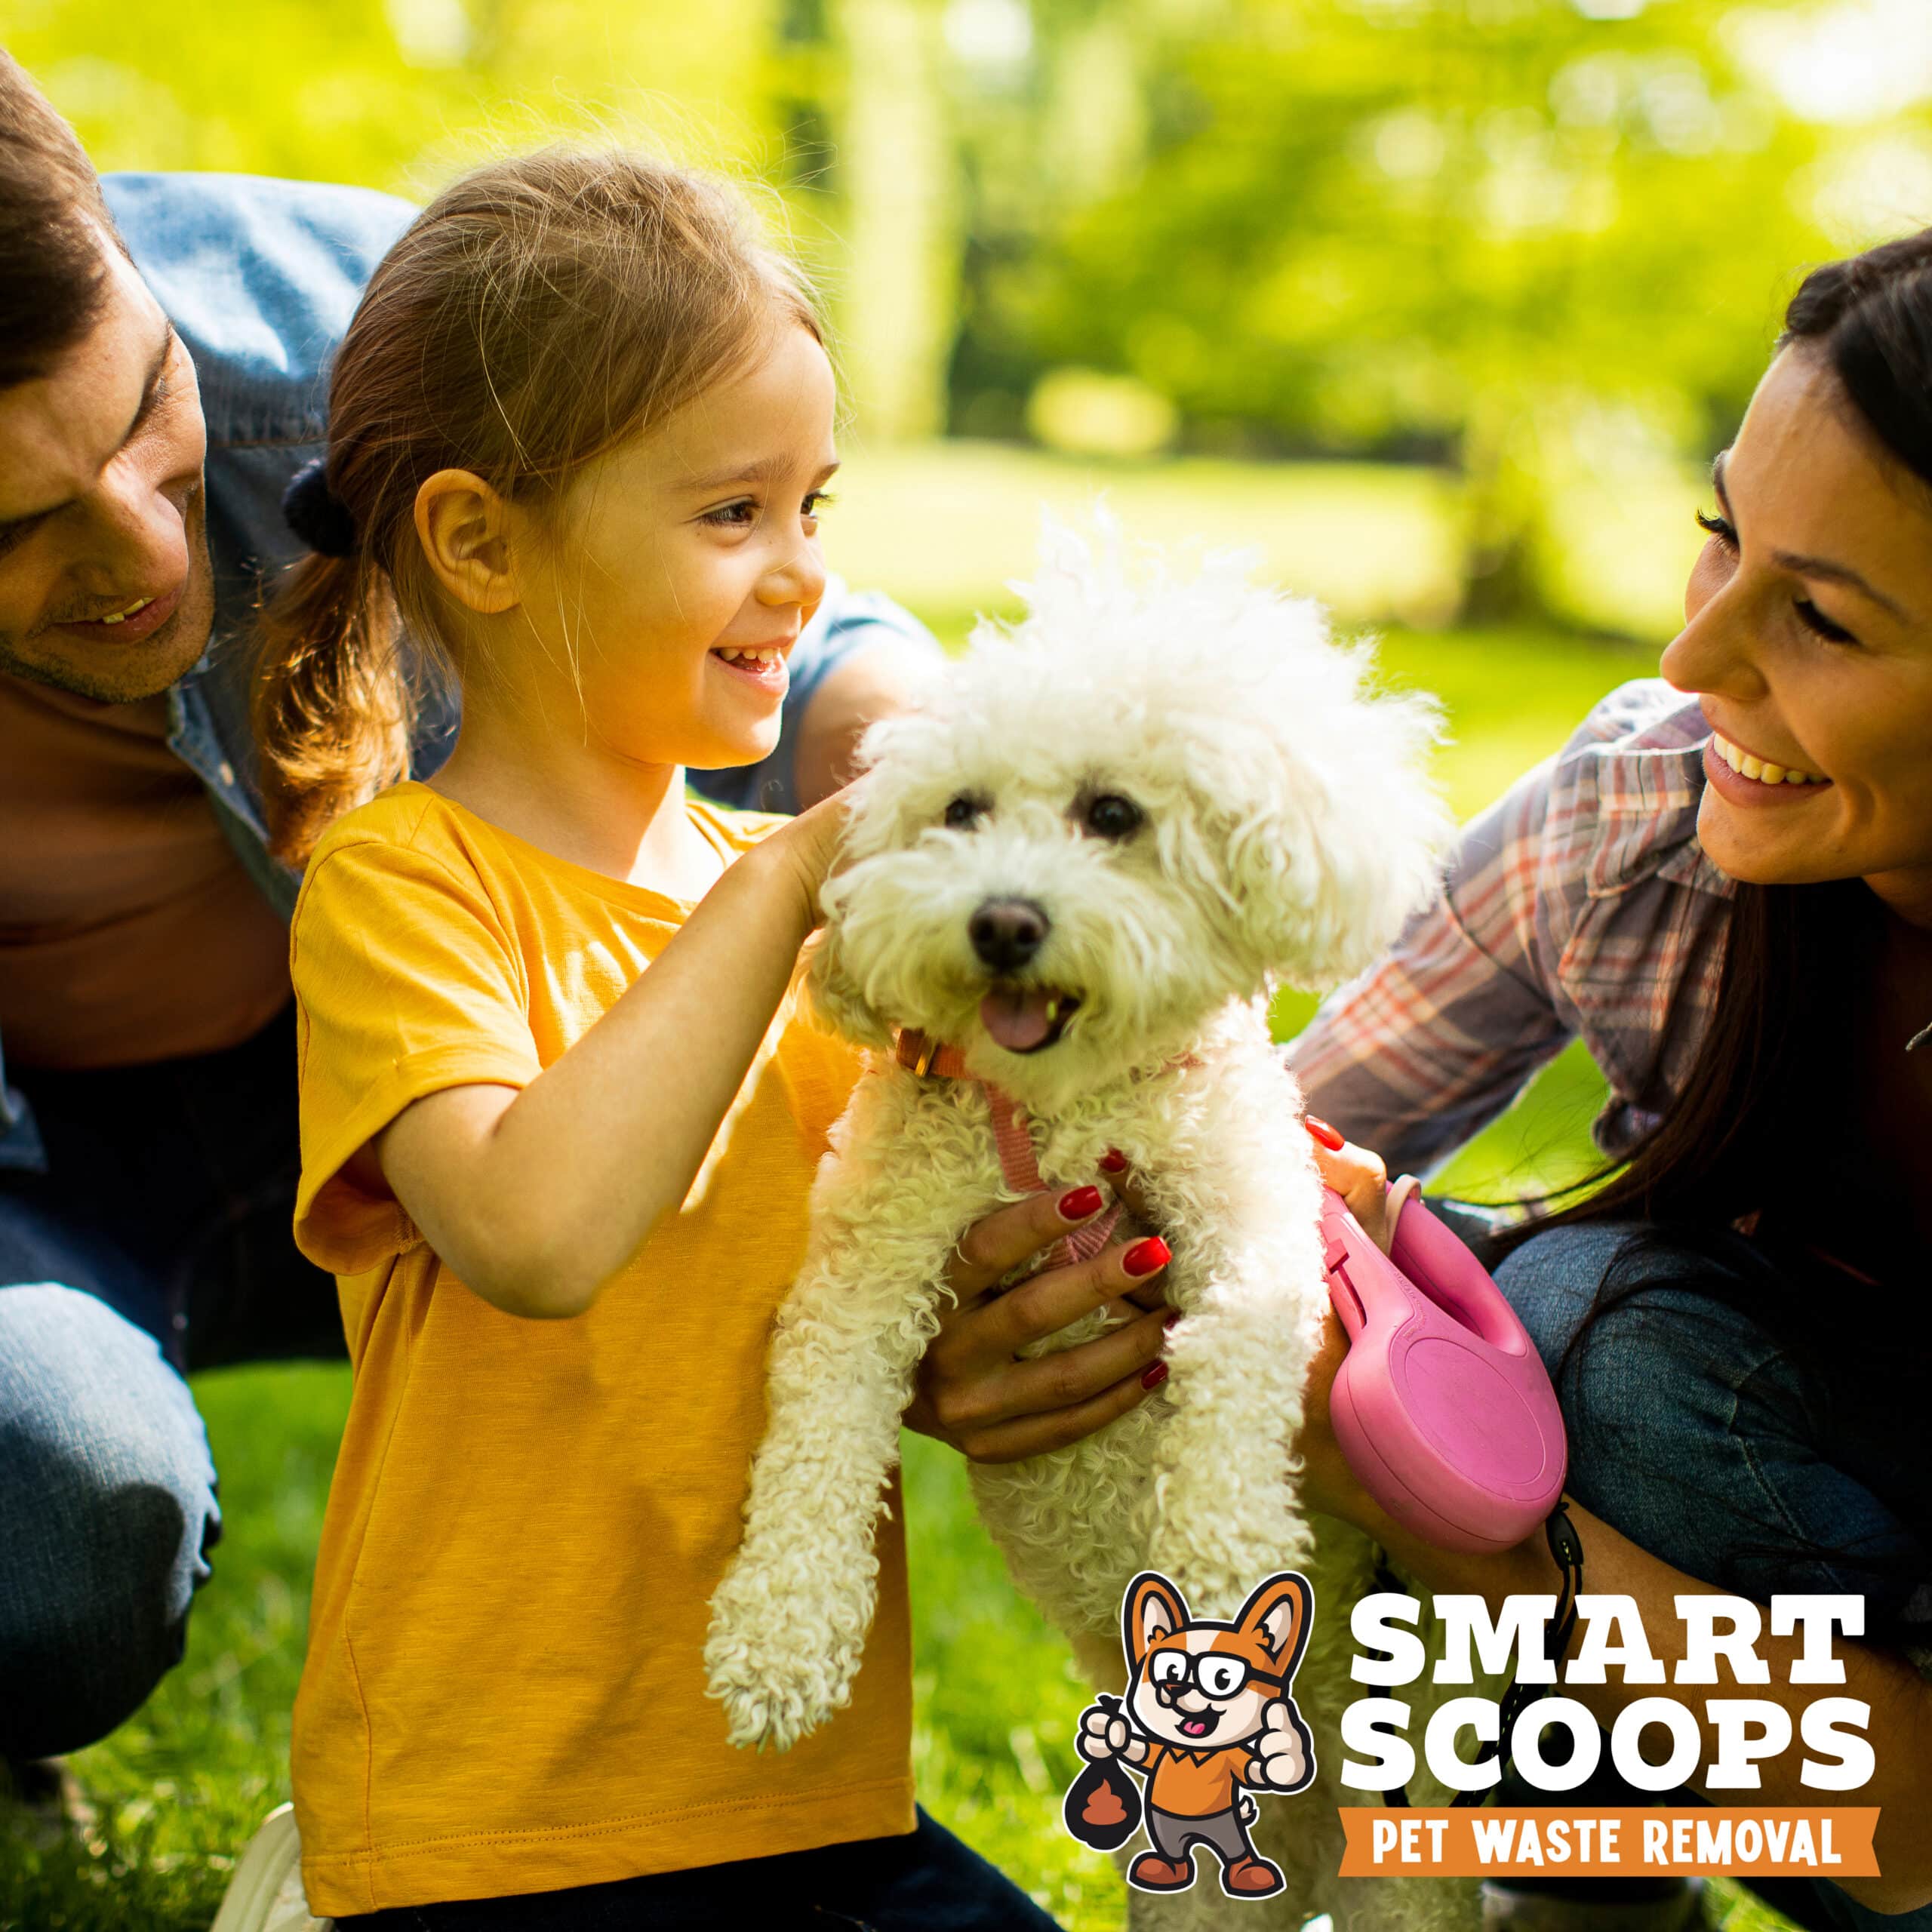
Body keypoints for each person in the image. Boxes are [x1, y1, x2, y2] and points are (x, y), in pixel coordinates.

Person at [910, 229, 1932, 1931]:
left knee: (1575, 1357)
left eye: (1817, 616)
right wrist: (1032, 1297)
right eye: (1719, 539)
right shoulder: (1639, 818)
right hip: (1802, 1574)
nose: (1691, 662)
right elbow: (1244, 1140)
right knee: (1503, 1307)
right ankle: (1585, 1893)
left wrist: (1475, 1538)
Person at [0, 47, 932, 1800]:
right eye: (22, 528)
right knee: (46, 1511)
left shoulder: (386, 333)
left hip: (474, 1074)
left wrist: (963, 829)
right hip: (55, 1175)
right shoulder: (411, 888)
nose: (142, 540)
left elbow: (801, 631)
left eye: (139, 417)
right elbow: (533, 1227)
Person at [255, 146, 1088, 1928]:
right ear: (480, 540)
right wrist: (791, 868)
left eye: (815, 508)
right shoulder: (411, 881)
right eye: (730, 515)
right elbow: (536, 1233)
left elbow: (877, 1284)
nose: (798, 579)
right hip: (507, 1825)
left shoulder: (789, 912)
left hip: (799, 1798)